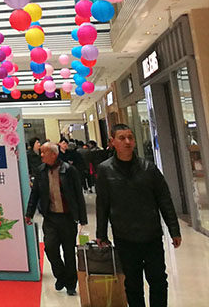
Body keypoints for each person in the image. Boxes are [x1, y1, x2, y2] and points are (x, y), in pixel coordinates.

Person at [96, 124, 181, 307]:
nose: (127, 142)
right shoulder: (105, 170)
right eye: (122, 138)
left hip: (151, 234)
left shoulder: (148, 168)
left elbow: (164, 200)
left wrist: (174, 230)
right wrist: (101, 233)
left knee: (158, 280)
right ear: (112, 142)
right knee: (133, 283)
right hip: (124, 236)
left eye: (130, 137)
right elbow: (102, 203)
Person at [25, 141, 88, 296]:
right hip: (50, 217)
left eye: (44, 152)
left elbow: (78, 195)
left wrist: (82, 218)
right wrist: (29, 213)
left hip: (68, 217)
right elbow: (35, 193)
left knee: (68, 252)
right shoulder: (41, 171)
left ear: (54, 154)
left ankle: (71, 284)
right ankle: (61, 275)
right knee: (50, 248)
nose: (41, 155)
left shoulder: (69, 170)